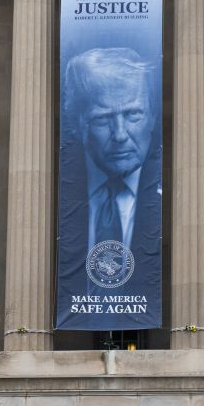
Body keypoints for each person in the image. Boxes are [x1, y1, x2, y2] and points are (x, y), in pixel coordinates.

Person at [56, 47, 162, 330]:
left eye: (133, 115)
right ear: (78, 125)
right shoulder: (63, 188)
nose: (119, 135)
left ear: (153, 117)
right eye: (103, 119)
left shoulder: (164, 191)